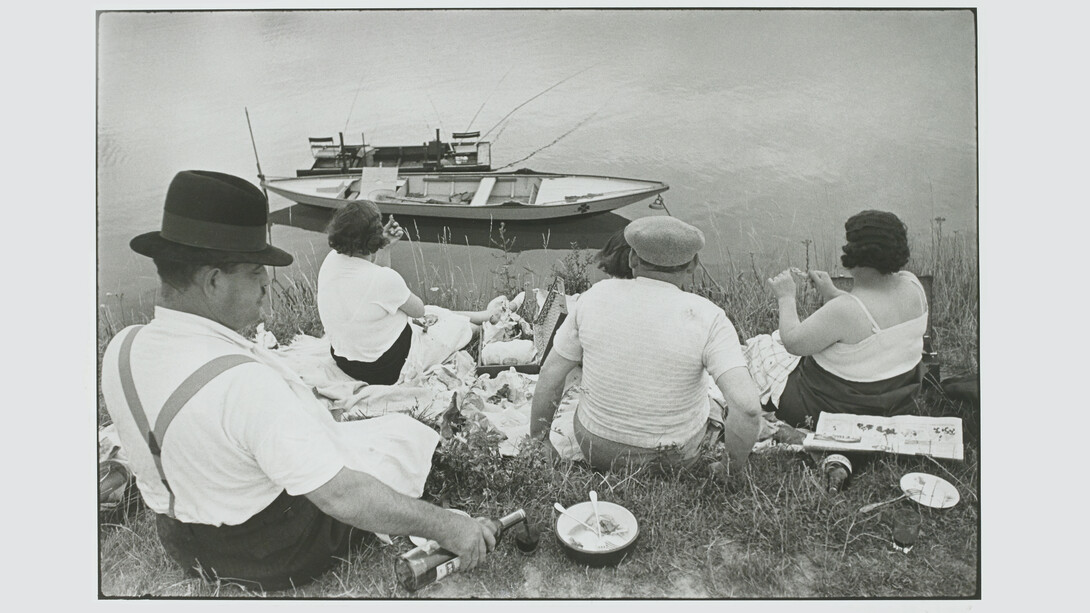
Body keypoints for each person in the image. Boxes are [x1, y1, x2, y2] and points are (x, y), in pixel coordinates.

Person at [100, 171, 496, 590]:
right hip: (267, 550)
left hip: (179, 540)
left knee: (363, 438)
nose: (267, 285)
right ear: (214, 280)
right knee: (399, 439)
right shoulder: (245, 384)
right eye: (255, 272)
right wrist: (448, 527)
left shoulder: (122, 348)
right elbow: (340, 496)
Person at [530, 216, 763, 475]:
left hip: (596, 448)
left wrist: (540, 441)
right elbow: (748, 408)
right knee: (714, 404)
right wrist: (730, 468)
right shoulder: (709, 316)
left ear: (632, 259)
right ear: (693, 265)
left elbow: (550, 374)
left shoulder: (594, 296)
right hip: (674, 458)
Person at [764, 210, 928, 429]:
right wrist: (831, 292)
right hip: (897, 397)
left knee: (763, 350)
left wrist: (785, 297)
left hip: (837, 405)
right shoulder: (913, 286)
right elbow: (869, 317)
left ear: (854, 254)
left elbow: (793, 342)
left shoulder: (845, 310)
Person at [317, 201, 502, 385]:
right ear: (374, 237)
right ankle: (485, 323)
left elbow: (376, 286)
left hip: (346, 362)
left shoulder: (331, 261)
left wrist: (385, 246)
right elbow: (418, 311)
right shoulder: (384, 280)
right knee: (442, 322)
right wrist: (382, 245)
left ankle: (485, 315)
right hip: (385, 369)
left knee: (433, 312)